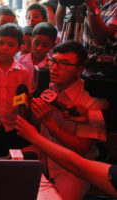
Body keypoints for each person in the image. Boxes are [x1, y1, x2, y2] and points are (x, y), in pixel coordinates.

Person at [29, 40, 108, 200]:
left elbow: (82, 148)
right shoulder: (47, 89)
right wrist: (32, 110)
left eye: (64, 64)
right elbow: (37, 127)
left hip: (73, 167)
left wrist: (49, 123)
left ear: (79, 70)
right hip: (44, 156)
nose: (55, 68)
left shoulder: (91, 99)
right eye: (54, 61)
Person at [16, 115, 117, 198]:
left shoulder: (92, 100)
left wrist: (38, 135)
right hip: (53, 157)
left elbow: (79, 165)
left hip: (71, 168)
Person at [0, 23, 31, 157]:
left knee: (10, 161)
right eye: (1, 43)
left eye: (11, 45)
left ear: (19, 48)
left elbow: (24, 101)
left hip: (12, 126)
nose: (4, 48)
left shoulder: (23, 73)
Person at [18, 22, 57, 93]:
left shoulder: (52, 66)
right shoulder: (20, 60)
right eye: (36, 43)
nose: (39, 48)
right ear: (31, 40)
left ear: (53, 45)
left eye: (45, 45)